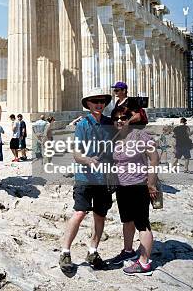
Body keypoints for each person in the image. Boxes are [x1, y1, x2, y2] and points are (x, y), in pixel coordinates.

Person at [59, 87, 114, 272]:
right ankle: (65, 252)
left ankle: (93, 251)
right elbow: (76, 153)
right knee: (80, 213)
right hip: (85, 176)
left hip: (104, 177)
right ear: (88, 104)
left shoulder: (110, 123)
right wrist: (88, 160)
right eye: (95, 101)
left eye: (102, 101)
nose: (99, 104)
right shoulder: (83, 124)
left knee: (100, 215)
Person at [109, 106, 158, 276]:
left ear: (129, 119)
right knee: (127, 221)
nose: (120, 121)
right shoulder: (115, 138)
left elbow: (154, 158)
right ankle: (128, 251)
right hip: (122, 187)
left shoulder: (140, 135)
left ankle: (144, 263)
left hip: (139, 185)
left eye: (123, 118)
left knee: (142, 224)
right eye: (116, 119)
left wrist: (151, 183)